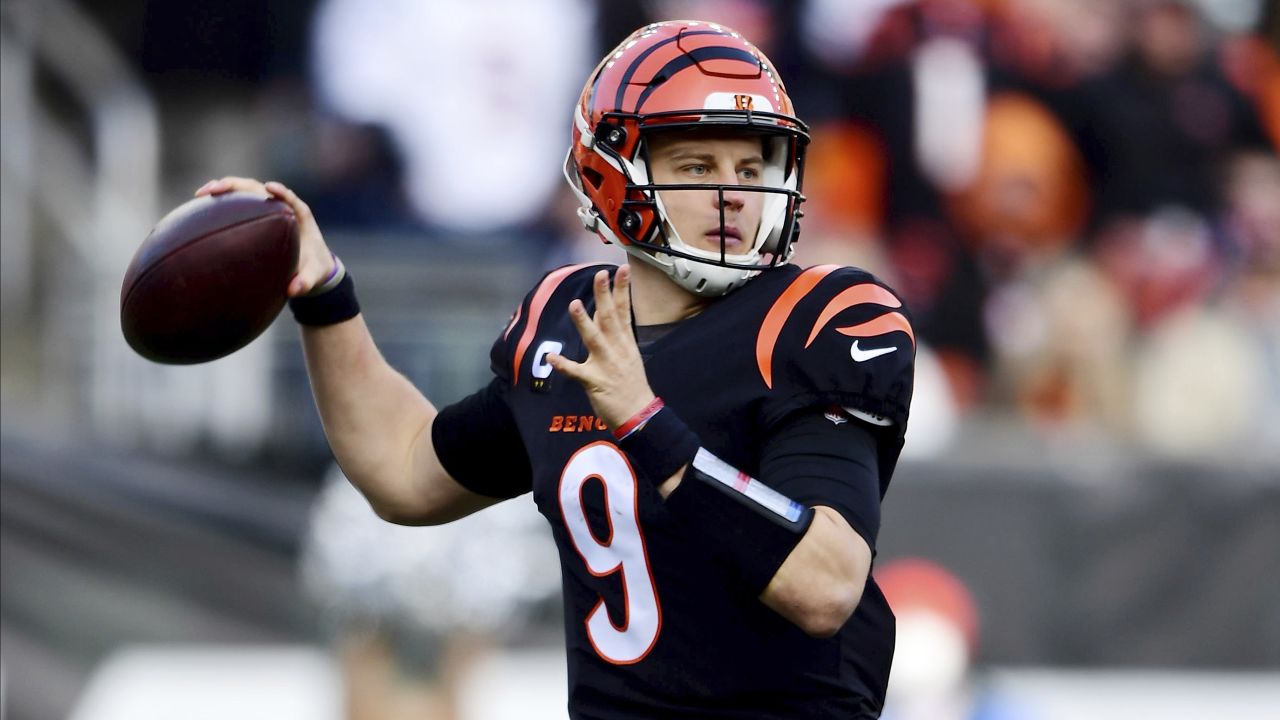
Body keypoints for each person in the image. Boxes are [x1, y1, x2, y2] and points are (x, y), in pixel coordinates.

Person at [198, 20, 916, 719]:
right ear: (615, 174)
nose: (733, 194)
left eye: (751, 166)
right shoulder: (566, 322)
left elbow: (827, 583)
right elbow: (404, 469)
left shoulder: (820, 318)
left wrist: (647, 427)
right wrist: (325, 295)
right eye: (698, 165)